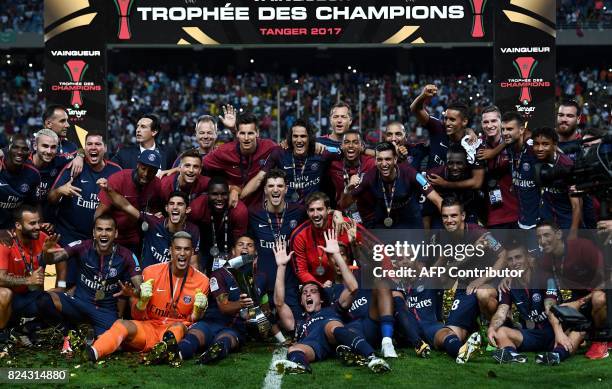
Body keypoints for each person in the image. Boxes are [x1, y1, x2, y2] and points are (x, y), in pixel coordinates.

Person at [82, 231, 209, 362]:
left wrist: (198, 311)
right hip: (149, 327)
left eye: (187, 249)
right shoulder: (150, 272)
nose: (182, 253)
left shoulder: (202, 281)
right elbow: (136, 315)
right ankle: (94, 352)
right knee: (121, 324)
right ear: (170, 250)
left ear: (192, 252)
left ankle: (162, 352)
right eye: (178, 249)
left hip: (175, 330)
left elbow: (194, 321)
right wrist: (142, 302)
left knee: (178, 328)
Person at [273, 237, 390, 374]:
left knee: (331, 326)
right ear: (301, 301)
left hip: (332, 334)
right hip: (314, 344)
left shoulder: (331, 309)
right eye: (304, 293)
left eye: (313, 291)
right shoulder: (298, 321)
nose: (308, 294)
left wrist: (336, 255)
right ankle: (301, 365)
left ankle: (372, 357)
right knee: (294, 349)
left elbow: (353, 288)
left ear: (322, 299)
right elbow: (279, 303)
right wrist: (281, 267)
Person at [146, 235, 262, 366]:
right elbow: (223, 307)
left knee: (226, 340)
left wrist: (257, 318)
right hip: (211, 322)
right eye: (240, 244)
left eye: (250, 245)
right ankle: (176, 353)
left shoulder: (261, 277)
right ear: (233, 251)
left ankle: (213, 353)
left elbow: (263, 307)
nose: (245, 247)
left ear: (255, 252)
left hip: (234, 328)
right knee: (195, 335)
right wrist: (241, 304)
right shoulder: (219, 274)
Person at [37, 213, 143, 353]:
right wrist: (47, 253)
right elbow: (51, 259)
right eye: (99, 229)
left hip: (105, 312)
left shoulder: (127, 255)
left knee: (115, 347)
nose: (103, 233)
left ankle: (88, 331)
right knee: (44, 300)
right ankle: (69, 332)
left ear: (115, 233)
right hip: (79, 304)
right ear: (94, 232)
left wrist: (133, 293)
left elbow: (142, 290)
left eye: (108, 230)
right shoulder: (83, 246)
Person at [431, 198, 506, 363]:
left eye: (453, 215)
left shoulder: (480, 233)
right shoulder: (442, 237)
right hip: (465, 287)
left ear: (463, 215)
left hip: (488, 283)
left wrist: (481, 280)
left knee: (483, 294)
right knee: (451, 334)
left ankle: (496, 331)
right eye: (445, 216)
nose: (449, 220)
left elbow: (503, 255)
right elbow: (444, 269)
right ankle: (468, 337)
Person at [49, 131, 122, 287]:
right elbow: (51, 198)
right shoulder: (73, 168)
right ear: (85, 148)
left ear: (105, 148)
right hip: (69, 234)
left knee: (91, 285)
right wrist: (60, 191)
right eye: (89, 144)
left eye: (97, 144)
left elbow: (123, 204)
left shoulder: (116, 172)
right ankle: (59, 301)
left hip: (97, 238)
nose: (93, 147)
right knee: (64, 283)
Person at [536, 220, 606, 362]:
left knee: (599, 298)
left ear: (559, 234)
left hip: (601, 294)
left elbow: (607, 280)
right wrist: (558, 331)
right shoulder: (545, 262)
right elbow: (550, 296)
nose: (542, 241)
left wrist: (580, 302)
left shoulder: (583, 247)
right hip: (577, 301)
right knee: (570, 322)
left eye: (546, 235)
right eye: (539, 237)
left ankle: (602, 340)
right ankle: (557, 355)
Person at [341, 142, 443, 229]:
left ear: (395, 159)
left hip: (410, 223)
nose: (384, 164)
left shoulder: (411, 174)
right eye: (380, 159)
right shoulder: (369, 177)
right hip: (384, 224)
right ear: (375, 161)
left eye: (388, 159)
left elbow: (437, 200)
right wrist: (346, 190)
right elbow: (344, 204)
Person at [97, 185, 200, 270]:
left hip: (173, 281)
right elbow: (126, 206)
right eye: (171, 204)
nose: (175, 207)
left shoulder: (193, 231)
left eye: (180, 204)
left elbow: (193, 264)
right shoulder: (153, 222)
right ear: (166, 208)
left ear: (187, 210)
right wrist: (108, 189)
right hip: (148, 280)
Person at [486, 242, 557, 363]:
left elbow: (551, 307)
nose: (514, 263)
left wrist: (559, 334)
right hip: (530, 335)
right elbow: (502, 311)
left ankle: (558, 352)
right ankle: (513, 356)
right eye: (510, 259)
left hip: (552, 333)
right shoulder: (507, 285)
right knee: (499, 331)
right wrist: (492, 328)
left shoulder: (545, 278)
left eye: (518, 257)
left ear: (528, 259)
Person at [248, 169, 304, 318]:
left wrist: (335, 213)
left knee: (296, 326)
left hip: (288, 283)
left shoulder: (298, 211)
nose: (275, 189)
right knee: (259, 328)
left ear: (286, 189)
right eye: (271, 186)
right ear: (265, 190)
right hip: (263, 283)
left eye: (279, 186)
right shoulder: (254, 214)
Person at [241, 118, 333, 205]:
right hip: (288, 211)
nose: (299, 140)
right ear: (290, 138)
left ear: (309, 138)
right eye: (295, 136)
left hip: (312, 210)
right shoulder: (280, 153)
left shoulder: (320, 153)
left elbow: (341, 151)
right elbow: (259, 178)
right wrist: (239, 199)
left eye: (303, 136)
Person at [202, 112, 278, 207]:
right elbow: (200, 165)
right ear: (237, 133)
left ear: (257, 133)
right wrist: (229, 188)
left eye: (250, 133)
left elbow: (286, 153)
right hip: (233, 205)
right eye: (242, 133)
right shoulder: (224, 151)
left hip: (260, 207)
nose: (246, 138)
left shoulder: (269, 147)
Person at [0, 205, 51, 344]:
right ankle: (2, 335)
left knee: (58, 298)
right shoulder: (5, 241)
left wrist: (61, 284)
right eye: (32, 223)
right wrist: (28, 280)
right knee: (4, 294)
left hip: (28, 295)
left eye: (38, 222)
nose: (37, 227)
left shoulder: (41, 237)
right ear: (18, 225)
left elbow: (61, 258)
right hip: (11, 296)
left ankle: (26, 328)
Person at [95, 150, 162, 254]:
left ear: (157, 171)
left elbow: (154, 209)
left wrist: (154, 215)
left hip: (135, 238)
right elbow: (99, 213)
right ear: (138, 165)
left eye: (152, 171)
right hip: (112, 236)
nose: (146, 174)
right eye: (143, 169)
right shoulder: (119, 179)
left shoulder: (157, 184)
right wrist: (96, 236)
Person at [189, 177, 248, 274]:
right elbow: (191, 234)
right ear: (207, 194)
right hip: (203, 245)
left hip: (228, 247)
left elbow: (239, 242)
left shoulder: (239, 211)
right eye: (215, 194)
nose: (219, 198)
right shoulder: (197, 207)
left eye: (224, 194)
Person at [531, 127, 582, 236]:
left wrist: (573, 233)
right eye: (536, 144)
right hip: (546, 220)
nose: (540, 148)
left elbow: (576, 205)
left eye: (545, 144)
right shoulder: (536, 159)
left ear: (554, 145)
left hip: (566, 221)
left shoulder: (566, 165)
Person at [410, 85, 475, 168]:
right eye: (446, 118)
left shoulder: (471, 142)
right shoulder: (438, 128)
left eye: (452, 119)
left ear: (464, 121)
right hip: (429, 180)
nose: (447, 123)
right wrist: (423, 96)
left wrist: (470, 131)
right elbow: (415, 109)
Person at [477, 106, 519, 231]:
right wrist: (469, 130)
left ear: (501, 122)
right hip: (492, 217)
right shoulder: (476, 145)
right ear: (481, 124)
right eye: (486, 122)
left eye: (493, 121)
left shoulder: (515, 144)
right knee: (497, 250)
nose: (489, 125)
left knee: (519, 251)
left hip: (516, 213)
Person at [28, 129, 83, 221]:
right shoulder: (23, 163)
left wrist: (80, 157)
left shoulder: (59, 160)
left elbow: (80, 150)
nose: (49, 151)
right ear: (35, 146)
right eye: (45, 146)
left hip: (49, 219)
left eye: (53, 147)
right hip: (25, 218)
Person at [424, 144, 484, 228]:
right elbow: (426, 210)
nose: (455, 167)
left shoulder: (472, 175)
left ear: (466, 163)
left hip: (468, 213)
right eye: (450, 163)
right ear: (446, 162)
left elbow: (478, 185)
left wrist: (446, 184)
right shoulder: (435, 176)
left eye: (459, 163)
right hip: (441, 217)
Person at [328, 129, 376, 226]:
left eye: (355, 142)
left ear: (362, 146)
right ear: (341, 146)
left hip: (370, 219)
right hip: (343, 218)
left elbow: (388, 157)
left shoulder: (371, 163)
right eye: (346, 142)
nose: (350, 146)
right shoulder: (333, 165)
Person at [502, 111, 540, 231]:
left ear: (521, 130)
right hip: (522, 220)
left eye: (509, 129)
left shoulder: (533, 148)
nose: (505, 133)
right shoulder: (510, 149)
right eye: (503, 129)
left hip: (539, 223)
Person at [0, 134, 41, 229]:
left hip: (13, 225)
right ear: (8, 149)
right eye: (15, 147)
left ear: (30, 152)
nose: (19, 152)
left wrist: (39, 225)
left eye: (25, 149)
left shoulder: (33, 174)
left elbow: (33, 204)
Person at [112, 114, 177, 171]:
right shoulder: (123, 154)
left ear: (154, 132)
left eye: (143, 127)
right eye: (137, 126)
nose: (138, 130)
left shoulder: (169, 153)